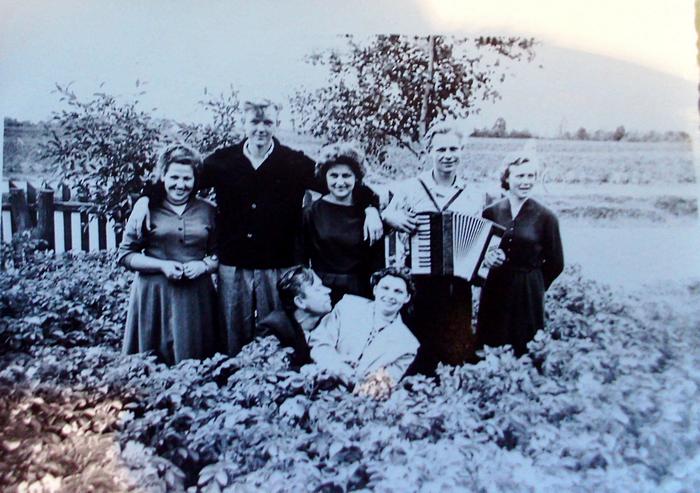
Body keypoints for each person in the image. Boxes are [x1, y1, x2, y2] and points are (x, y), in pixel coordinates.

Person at [127, 100, 383, 356]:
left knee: (278, 332)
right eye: (254, 122)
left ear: (276, 124)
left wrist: (371, 207)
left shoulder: (294, 162)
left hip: (278, 264)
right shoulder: (223, 160)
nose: (261, 128)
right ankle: (231, 376)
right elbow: (182, 180)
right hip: (234, 264)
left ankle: (276, 375)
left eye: (268, 122)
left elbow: (337, 183)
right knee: (232, 334)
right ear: (244, 123)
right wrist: (144, 199)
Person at [383, 122, 484, 375]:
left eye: (453, 149)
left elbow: (479, 237)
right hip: (420, 278)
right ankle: (417, 386)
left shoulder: (473, 194)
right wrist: (393, 217)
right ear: (429, 151)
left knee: (455, 343)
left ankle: (451, 385)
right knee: (419, 340)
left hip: (458, 281)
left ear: (461, 151)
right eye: (441, 149)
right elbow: (388, 214)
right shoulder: (410, 187)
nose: (447, 155)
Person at [117, 143, 220, 365]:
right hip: (153, 296)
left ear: (195, 180)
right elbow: (125, 255)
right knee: (149, 366)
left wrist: (204, 265)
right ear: (163, 176)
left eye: (187, 179)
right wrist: (161, 265)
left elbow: (220, 254)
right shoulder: (146, 209)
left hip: (195, 299)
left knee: (197, 364)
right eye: (174, 177)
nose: (180, 185)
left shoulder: (208, 210)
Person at [475, 154, 564, 357]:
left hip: (528, 292)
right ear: (507, 178)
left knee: (525, 348)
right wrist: (487, 260)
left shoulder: (547, 217)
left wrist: (535, 284)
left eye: (531, 176)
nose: (526, 182)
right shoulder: (490, 213)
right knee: (490, 346)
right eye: (520, 176)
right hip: (495, 289)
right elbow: (477, 253)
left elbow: (556, 263)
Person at [300, 143, 385, 305]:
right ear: (325, 177)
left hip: (362, 291)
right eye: (334, 175)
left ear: (356, 178)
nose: (340, 182)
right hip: (323, 291)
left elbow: (377, 262)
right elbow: (301, 260)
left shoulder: (369, 215)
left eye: (346, 176)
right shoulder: (310, 213)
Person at [309, 267, 418, 386]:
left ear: (407, 297)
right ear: (375, 290)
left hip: (360, 395)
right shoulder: (347, 306)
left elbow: (382, 385)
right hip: (321, 384)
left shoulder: (408, 345)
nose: (390, 295)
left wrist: (354, 382)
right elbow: (319, 343)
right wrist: (339, 368)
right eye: (385, 288)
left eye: (398, 291)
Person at [256, 265, 332, 369]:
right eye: (318, 289)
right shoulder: (274, 328)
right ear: (300, 302)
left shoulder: (330, 323)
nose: (328, 290)